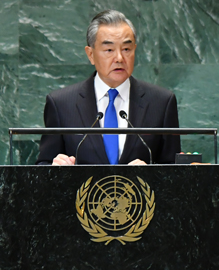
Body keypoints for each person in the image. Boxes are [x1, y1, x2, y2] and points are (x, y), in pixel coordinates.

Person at [35, 10, 181, 165]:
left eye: (126, 49)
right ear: (90, 54)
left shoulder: (161, 102)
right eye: (109, 50)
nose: (119, 58)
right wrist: (54, 169)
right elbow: (43, 165)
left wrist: (151, 174)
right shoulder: (61, 104)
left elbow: (174, 169)